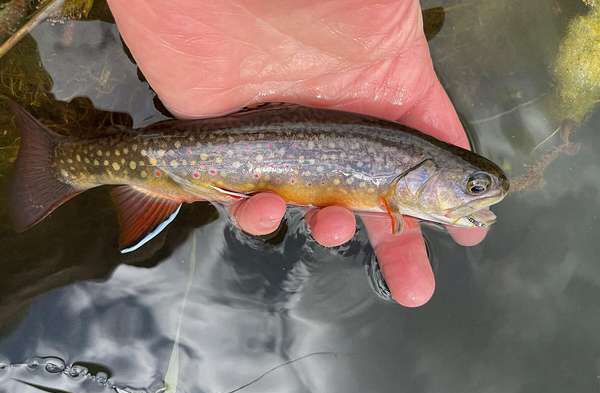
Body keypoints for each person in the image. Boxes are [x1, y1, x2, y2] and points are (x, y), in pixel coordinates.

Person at [106, 0, 487, 307]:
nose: (478, 196)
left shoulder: (403, 158)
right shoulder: (400, 162)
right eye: (475, 187)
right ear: (422, 170)